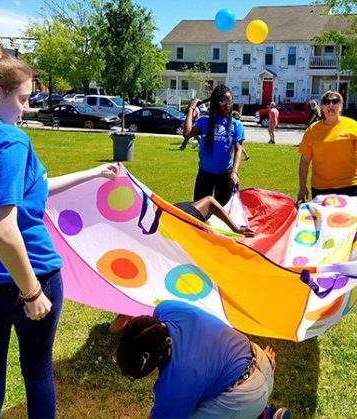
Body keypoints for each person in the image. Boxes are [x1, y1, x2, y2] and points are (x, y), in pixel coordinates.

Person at [0, 34, 122, 418]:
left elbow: (27, 194)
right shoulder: (10, 140)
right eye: (22, 99)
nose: (25, 110)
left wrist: (94, 173)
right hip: (26, 281)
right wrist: (32, 290)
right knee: (37, 375)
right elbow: (2, 229)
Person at [113, 300, 287, 419]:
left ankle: (257, 412)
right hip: (257, 358)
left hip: (245, 396)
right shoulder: (168, 309)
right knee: (213, 383)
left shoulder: (177, 383)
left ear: (157, 358)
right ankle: (263, 412)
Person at [107, 196, 255, 334]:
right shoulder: (171, 225)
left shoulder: (187, 216)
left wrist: (236, 229)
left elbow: (210, 201)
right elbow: (209, 200)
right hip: (167, 231)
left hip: (177, 226)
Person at [297, 91, 357, 202]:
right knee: (323, 219)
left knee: (353, 219)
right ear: (322, 107)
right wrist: (302, 186)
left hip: (352, 186)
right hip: (321, 189)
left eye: (335, 101)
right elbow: (305, 160)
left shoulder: (352, 126)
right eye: (326, 102)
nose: (330, 105)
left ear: (341, 106)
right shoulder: (312, 130)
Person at [182, 85, 247, 206]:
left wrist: (234, 172)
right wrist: (191, 109)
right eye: (223, 100)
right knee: (199, 211)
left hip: (224, 175)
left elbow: (238, 150)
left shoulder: (236, 125)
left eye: (229, 101)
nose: (227, 104)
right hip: (204, 174)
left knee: (223, 213)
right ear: (216, 102)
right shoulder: (204, 121)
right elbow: (186, 134)